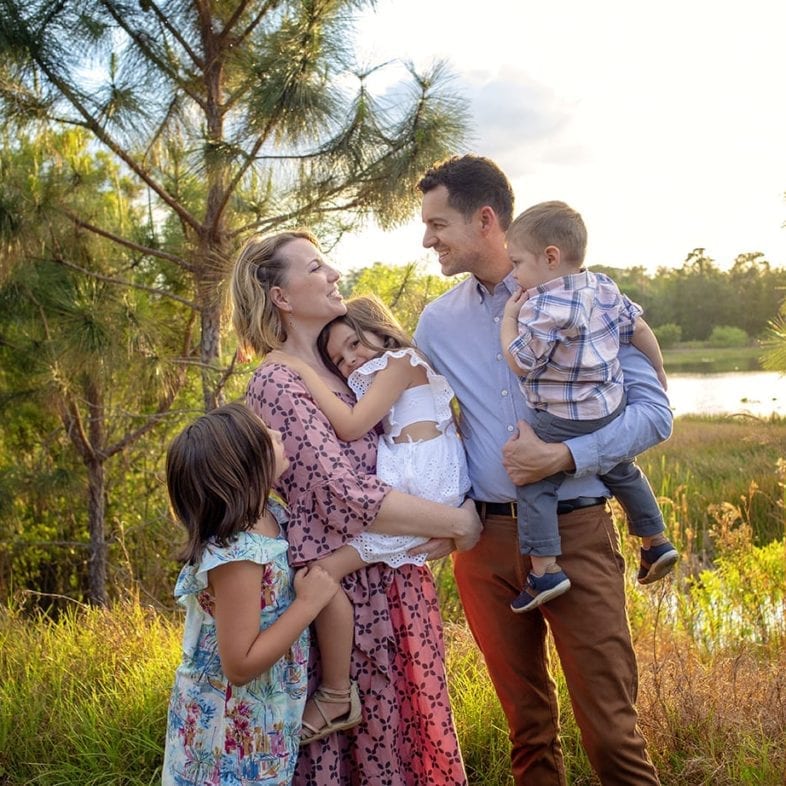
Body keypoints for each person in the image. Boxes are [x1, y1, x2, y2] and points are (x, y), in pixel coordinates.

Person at [414, 154, 672, 785]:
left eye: (437, 223)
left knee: (612, 733)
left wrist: (565, 456)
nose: (427, 240)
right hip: (486, 547)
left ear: (484, 220)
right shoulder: (437, 324)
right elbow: (416, 428)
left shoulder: (592, 300)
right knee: (527, 733)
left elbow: (655, 415)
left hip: (577, 533)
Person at [230, 230, 480, 785]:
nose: (334, 274)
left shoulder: (345, 370)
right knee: (364, 755)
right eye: (316, 267)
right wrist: (460, 522)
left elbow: (415, 445)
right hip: (347, 599)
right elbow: (341, 494)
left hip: (391, 582)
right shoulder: (277, 378)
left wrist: (450, 513)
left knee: (410, 739)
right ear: (281, 297)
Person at [265, 294, 470, 747]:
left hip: (423, 485)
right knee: (322, 575)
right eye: (339, 359)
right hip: (418, 480)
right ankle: (337, 692)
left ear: (381, 328)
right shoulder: (383, 373)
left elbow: (353, 426)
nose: (351, 359)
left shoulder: (398, 362)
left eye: (355, 344)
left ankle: (336, 693)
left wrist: (303, 374)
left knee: (323, 571)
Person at [499, 200, 678, 612]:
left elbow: (520, 362)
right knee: (622, 469)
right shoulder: (603, 286)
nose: (514, 273)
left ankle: (545, 568)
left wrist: (509, 320)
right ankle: (656, 541)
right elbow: (640, 328)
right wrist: (658, 369)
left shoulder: (542, 306)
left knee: (534, 481)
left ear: (550, 257)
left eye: (518, 262)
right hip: (609, 407)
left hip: (563, 417)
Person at [162, 402, 340, 786]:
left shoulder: (271, 514)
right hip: (225, 731)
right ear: (243, 466)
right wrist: (308, 603)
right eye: (266, 435)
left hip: (260, 716)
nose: (278, 435)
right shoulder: (237, 555)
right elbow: (239, 665)